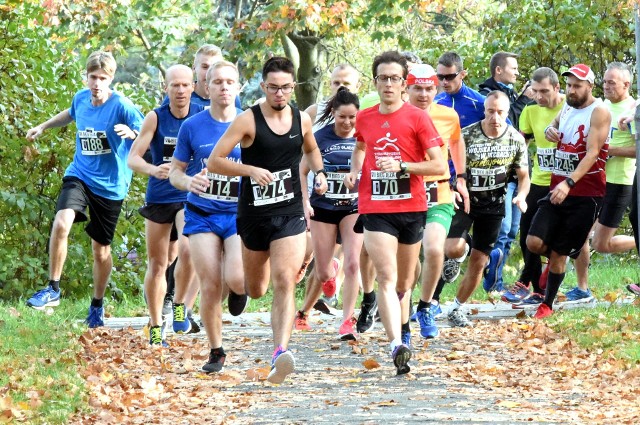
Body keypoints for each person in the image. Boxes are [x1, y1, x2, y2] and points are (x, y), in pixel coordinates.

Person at [207, 57, 328, 384]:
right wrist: (250, 170)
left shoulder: (301, 120)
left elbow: (313, 150)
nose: (280, 93)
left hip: (288, 211)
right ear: (263, 86)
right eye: (273, 87)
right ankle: (241, 290)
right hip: (253, 216)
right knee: (257, 288)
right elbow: (215, 160)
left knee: (284, 280)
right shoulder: (248, 120)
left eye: (286, 87)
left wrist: (319, 173)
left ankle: (280, 353)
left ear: (293, 87)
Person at [344, 51, 446, 374]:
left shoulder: (418, 118)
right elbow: (360, 147)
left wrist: (403, 166)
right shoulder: (365, 117)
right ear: (375, 82)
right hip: (376, 208)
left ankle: (404, 329)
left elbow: (439, 164)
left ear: (404, 84)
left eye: (394, 79)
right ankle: (395, 345)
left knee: (404, 282)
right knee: (386, 278)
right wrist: (354, 171)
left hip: (412, 207)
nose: (388, 84)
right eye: (382, 78)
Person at [25, 51, 144, 327]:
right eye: (93, 77)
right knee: (62, 221)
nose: (97, 83)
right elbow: (70, 113)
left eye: (103, 78)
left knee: (100, 251)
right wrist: (42, 126)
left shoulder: (122, 106)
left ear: (111, 79)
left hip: (110, 186)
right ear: (86, 76)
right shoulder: (81, 98)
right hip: (80, 175)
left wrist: (134, 134)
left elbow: (146, 131)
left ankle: (97, 305)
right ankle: (53, 289)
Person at [170, 60, 248, 372]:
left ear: (238, 87)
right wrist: (189, 181)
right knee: (210, 282)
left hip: (239, 214)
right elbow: (175, 173)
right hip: (202, 212)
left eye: (230, 82)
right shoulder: (192, 126)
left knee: (236, 279)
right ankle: (216, 350)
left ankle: (240, 290)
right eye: (218, 82)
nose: (224, 87)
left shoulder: (249, 123)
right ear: (207, 87)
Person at [127, 65, 203, 345]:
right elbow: (133, 158)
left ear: (193, 86)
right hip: (159, 196)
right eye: (175, 86)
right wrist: (152, 169)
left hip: (189, 195)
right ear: (166, 88)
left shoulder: (200, 117)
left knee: (187, 249)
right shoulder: (155, 117)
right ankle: (156, 325)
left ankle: (181, 305)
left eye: (185, 85)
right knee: (158, 264)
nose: (180, 90)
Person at [527, 64, 611, 319]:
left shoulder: (599, 112)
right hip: (557, 186)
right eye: (569, 85)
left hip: (585, 193)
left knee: (559, 254)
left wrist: (569, 183)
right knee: (533, 242)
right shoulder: (568, 105)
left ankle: (547, 305)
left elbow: (593, 153)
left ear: (590, 87)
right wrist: (550, 130)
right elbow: (554, 124)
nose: (572, 90)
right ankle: (553, 263)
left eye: (577, 86)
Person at [444, 91, 530, 327]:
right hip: (467, 199)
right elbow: (448, 165)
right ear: (484, 110)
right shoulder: (468, 134)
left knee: (479, 262)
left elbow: (524, 176)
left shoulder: (515, 139)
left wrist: (521, 196)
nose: (495, 117)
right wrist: (450, 188)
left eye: (500, 112)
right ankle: (460, 252)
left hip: (494, 205)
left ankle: (456, 308)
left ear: (507, 112)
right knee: (452, 248)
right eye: (490, 111)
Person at [401, 64, 468, 341]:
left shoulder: (447, 115)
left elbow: (456, 143)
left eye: (430, 88)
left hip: (437, 191)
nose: (424, 94)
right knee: (407, 261)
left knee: (434, 249)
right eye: (418, 88)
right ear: (407, 88)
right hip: (404, 192)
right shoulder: (395, 115)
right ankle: (403, 315)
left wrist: (460, 177)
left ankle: (426, 305)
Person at [295, 88, 363, 340]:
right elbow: (302, 171)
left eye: (352, 117)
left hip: (353, 207)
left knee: (353, 262)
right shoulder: (319, 137)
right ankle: (330, 272)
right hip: (322, 208)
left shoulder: (363, 137)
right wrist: (304, 200)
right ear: (333, 114)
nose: (347, 123)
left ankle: (347, 321)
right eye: (342, 117)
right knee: (323, 272)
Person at [501, 67, 566, 305]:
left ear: (557, 88)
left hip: (565, 183)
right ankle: (534, 285)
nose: (539, 96)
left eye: (544, 91)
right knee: (526, 235)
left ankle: (531, 282)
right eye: (535, 91)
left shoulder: (570, 107)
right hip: (539, 180)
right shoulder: (529, 110)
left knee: (557, 236)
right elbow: (522, 144)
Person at [478, 52, 533, 291]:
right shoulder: (485, 95)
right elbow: (503, 127)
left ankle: (496, 279)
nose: (518, 72)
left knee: (511, 231)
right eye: (514, 68)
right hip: (496, 174)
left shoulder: (511, 93)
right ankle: (492, 282)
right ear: (498, 70)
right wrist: (522, 102)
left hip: (515, 172)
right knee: (501, 231)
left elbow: (520, 134)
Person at [591, 62, 636, 255]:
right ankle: (581, 285)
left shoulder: (635, 109)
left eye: (612, 83)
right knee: (578, 232)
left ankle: (638, 240)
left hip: (619, 182)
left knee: (601, 245)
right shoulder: (601, 106)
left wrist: (608, 150)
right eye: (604, 82)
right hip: (595, 179)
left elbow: (638, 150)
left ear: (626, 85)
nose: (606, 86)